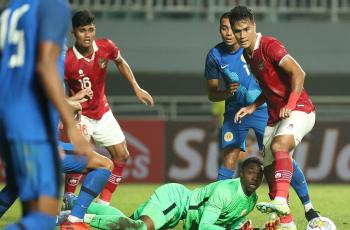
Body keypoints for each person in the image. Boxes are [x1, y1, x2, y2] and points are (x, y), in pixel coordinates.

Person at [206, 12, 321, 229]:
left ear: (253, 26)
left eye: (245, 30)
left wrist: (290, 103)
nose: (241, 35)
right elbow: (268, 89)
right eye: (236, 30)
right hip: (271, 114)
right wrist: (251, 106)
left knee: (280, 146)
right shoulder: (246, 55)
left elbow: (299, 73)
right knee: (268, 165)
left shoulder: (270, 45)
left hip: (299, 108)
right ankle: (286, 222)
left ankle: (287, 203)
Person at [0, 0, 93, 229]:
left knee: (27, 201)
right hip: (29, 120)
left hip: (7, 115)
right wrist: (70, 124)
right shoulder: (53, 7)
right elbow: (45, 66)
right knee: (42, 218)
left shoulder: (11, 10)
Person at [64, 9, 154, 207]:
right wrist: (67, 110)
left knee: (122, 155)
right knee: (80, 159)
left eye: (90, 29)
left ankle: (103, 203)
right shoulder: (67, 59)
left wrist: (136, 87)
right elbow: (55, 89)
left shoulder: (106, 47)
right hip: (81, 116)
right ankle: (68, 200)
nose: (87, 35)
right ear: (74, 32)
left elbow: (121, 62)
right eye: (82, 31)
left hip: (102, 111)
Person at [59, 157, 281, 230]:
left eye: (259, 175)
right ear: (241, 173)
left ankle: (76, 202)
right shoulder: (225, 190)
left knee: (130, 223)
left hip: (178, 213)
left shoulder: (251, 200)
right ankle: (76, 217)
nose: (255, 178)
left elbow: (229, 225)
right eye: (251, 172)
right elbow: (206, 227)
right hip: (175, 201)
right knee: (140, 228)